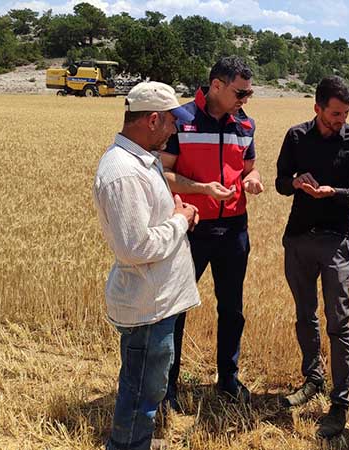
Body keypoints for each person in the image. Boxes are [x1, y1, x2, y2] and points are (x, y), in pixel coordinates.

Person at [93, 81, 201, 450]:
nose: (174, 130)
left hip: (156, 300)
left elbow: (147, 225)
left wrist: (176, 212)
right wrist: (181, 221)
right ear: (152, 120)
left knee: (148, 385)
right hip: (146, 304)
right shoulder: (124, 172)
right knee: (141, 389)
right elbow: (135, 247)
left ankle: (137, 440)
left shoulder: (141, 162)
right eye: (171, 121)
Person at [159, 56, 263, 406]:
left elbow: (251, 169)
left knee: (232, 308)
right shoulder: (182, 119)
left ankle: (228, 379)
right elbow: (164, 174)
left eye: (249, 93)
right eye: (240, 92)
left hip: (234, 227)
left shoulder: (245, 125)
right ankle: (167, 386)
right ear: (216, 85)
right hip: (190, 227)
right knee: (176, 309)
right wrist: (203, 189)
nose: (245, 99)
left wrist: (252, 181)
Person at [275, 75, 349, 438]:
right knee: (305, 315)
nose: (341, 119)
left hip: (335, 241)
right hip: (298, 238)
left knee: (338, 321)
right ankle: (312, 378)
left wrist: (335, 192)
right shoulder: (296, 137)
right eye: (335, 113)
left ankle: (340, 401)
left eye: (346, 113)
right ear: (317, 108)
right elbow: (280, 182)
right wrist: (296, 182)